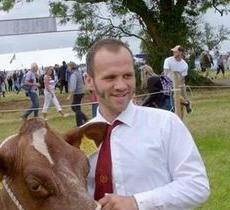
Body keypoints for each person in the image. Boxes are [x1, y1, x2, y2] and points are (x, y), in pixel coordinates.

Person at [83, 38, 209, 209]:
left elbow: (196, 185)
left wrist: (137, 202)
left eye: (127, 75)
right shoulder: (79, 139)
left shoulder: (166, 124)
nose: (121, 85)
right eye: (110, 77)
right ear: (89, 80)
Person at [163, 45, 192, 113]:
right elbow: (165, 73)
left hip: (179, 84)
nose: (173, 53)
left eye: (175, 51)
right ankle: (186, 103)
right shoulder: (168, 60)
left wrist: (177, 88)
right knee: (174, 99)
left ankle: (185, 104)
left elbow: (182, 79)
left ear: (180, 53)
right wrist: (170, 86)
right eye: (173, 51)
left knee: (180, 104)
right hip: (168, 83)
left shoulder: (185, 65)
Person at [67, 62, 88, 127]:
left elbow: (73, 87)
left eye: (68, 67)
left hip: (77, 93)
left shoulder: (74, 75)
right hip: (81, 91)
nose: (67, 68)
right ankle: (84, 118)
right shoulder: (79, 73)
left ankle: (80, 124)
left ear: (71, 67)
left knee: (76, 107)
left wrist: (70, 95)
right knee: (75, 107)